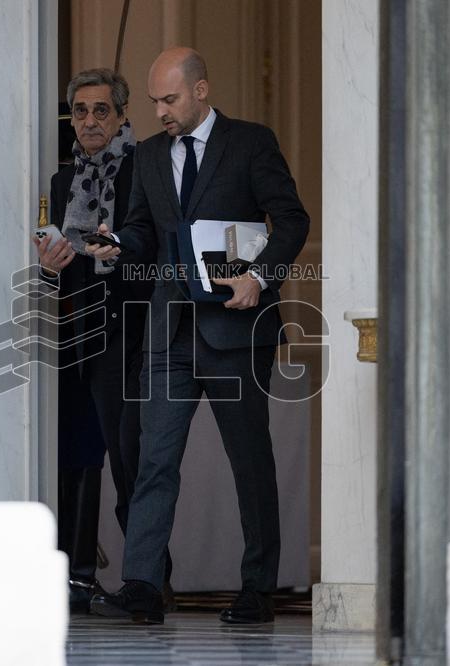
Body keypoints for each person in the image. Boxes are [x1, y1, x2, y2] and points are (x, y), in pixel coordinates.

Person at [86, 47, 310, 625]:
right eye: (155, 100)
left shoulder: (251, 142)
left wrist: (260, 278)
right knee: (152, 459)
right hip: (169, 332)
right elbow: (143, 229)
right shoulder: (151, 156)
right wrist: (118, 242)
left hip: (236, 329)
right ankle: (141, 585)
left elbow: (291, 220)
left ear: (201, 90)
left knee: (249, 462)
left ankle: (258, 589)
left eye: (170, 99)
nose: (160, 111)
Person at [33, 68, 161, 613]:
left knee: (129, 459)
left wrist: (119, 250)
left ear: (121, 115)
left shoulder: (144, 171)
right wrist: (48, 267)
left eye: (100, 110)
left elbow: (154, 249)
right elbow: (57, 265)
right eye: (80, 111)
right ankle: (77, 578)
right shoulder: (63, 183)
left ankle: (146, 581)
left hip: (125, 333)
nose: (88, 121)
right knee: (76, 458)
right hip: (73, 334)